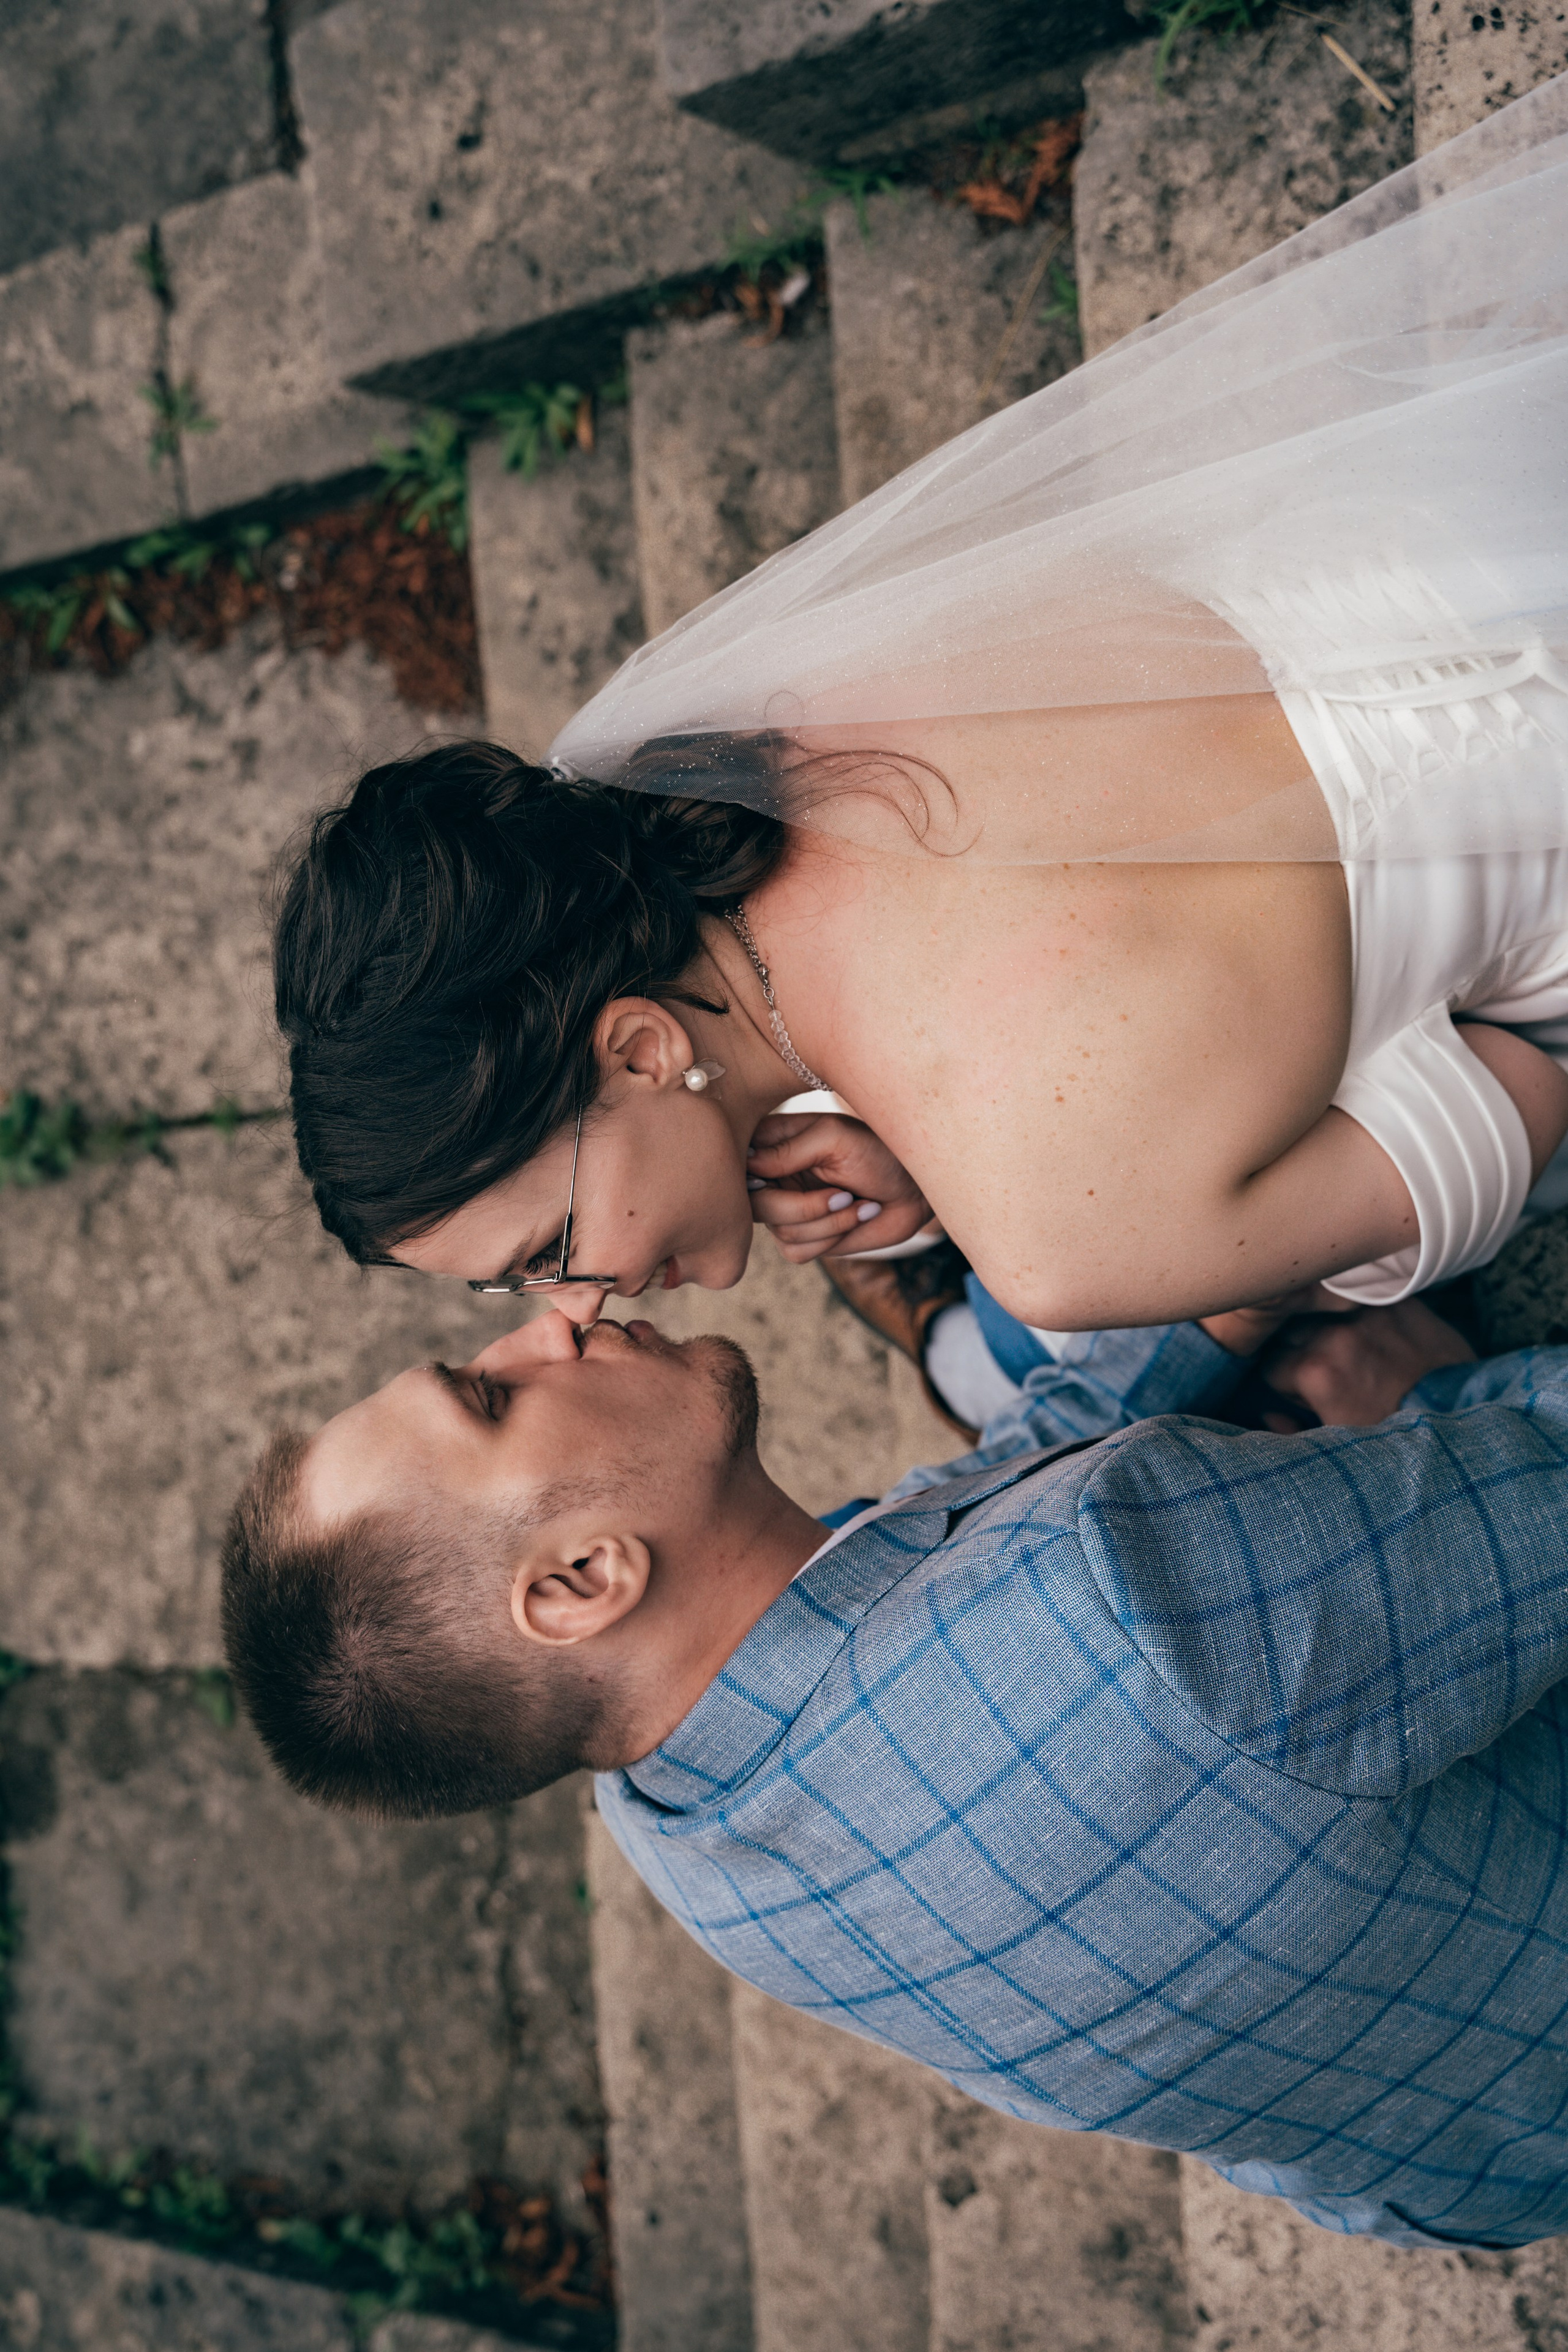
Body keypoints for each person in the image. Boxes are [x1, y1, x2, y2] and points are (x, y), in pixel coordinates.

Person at [273, 78, 1568, 1339]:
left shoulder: (1056, 1236)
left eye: (542, 1257)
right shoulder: (760, 707)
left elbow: (1517, 1096)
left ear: (639, 1049)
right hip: (1490, 532)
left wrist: (1055, 1206)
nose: (574, 1313)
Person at [224, 1292, 1568, 2249]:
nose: (551, 1318)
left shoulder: (676, 1817)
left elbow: (952, 1534)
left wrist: (1214, 1306)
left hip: (1462, 2169)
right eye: (492, 1394)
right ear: (581, 1581)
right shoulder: (1110, 1583)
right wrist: (1428, 1396)